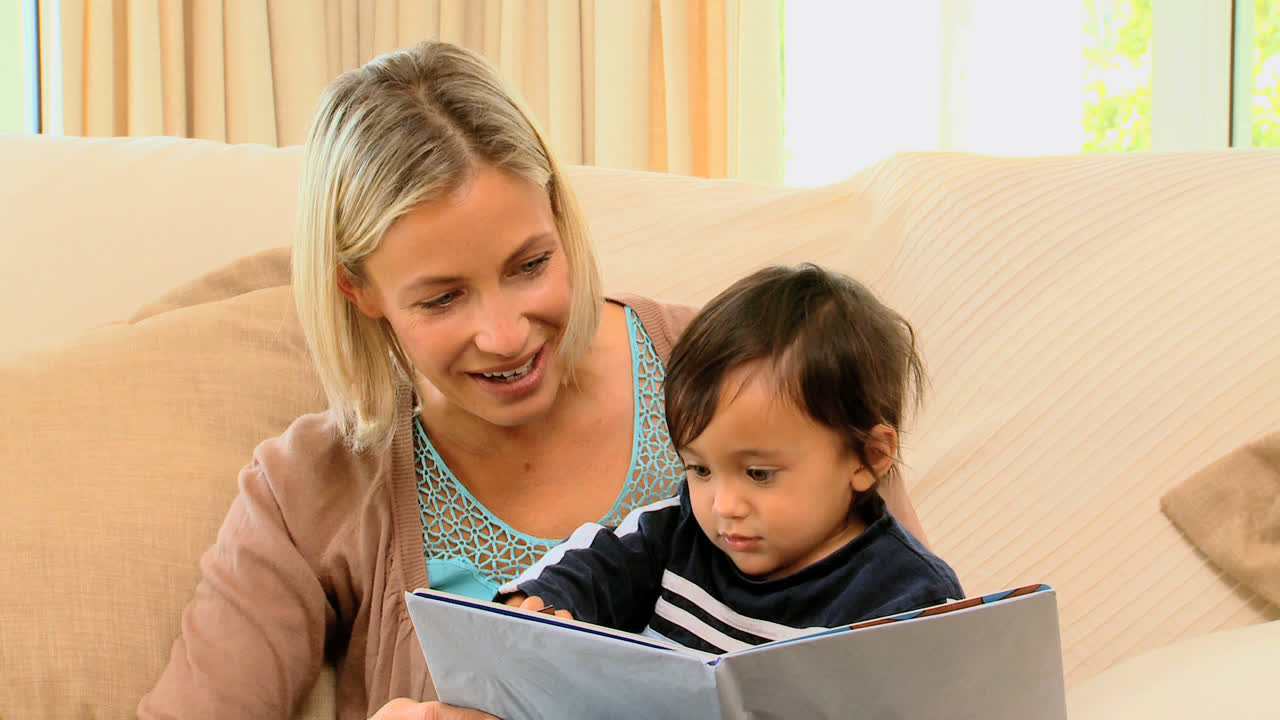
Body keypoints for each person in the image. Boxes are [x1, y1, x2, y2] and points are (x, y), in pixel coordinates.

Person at [137, 41, 931, 720]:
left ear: (558, 216)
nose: (506, 335)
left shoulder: (753, 371)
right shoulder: (312, 485)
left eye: (530, 265)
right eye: (443, 297)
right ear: (361, 291)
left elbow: (929, 657)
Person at [500, 264, 962, 653]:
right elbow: (591, 566)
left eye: (758, 473)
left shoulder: (914, 601)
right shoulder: (679, 533)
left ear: (867, 459)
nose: (723, 506)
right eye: (699, 469)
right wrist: (539, 604)